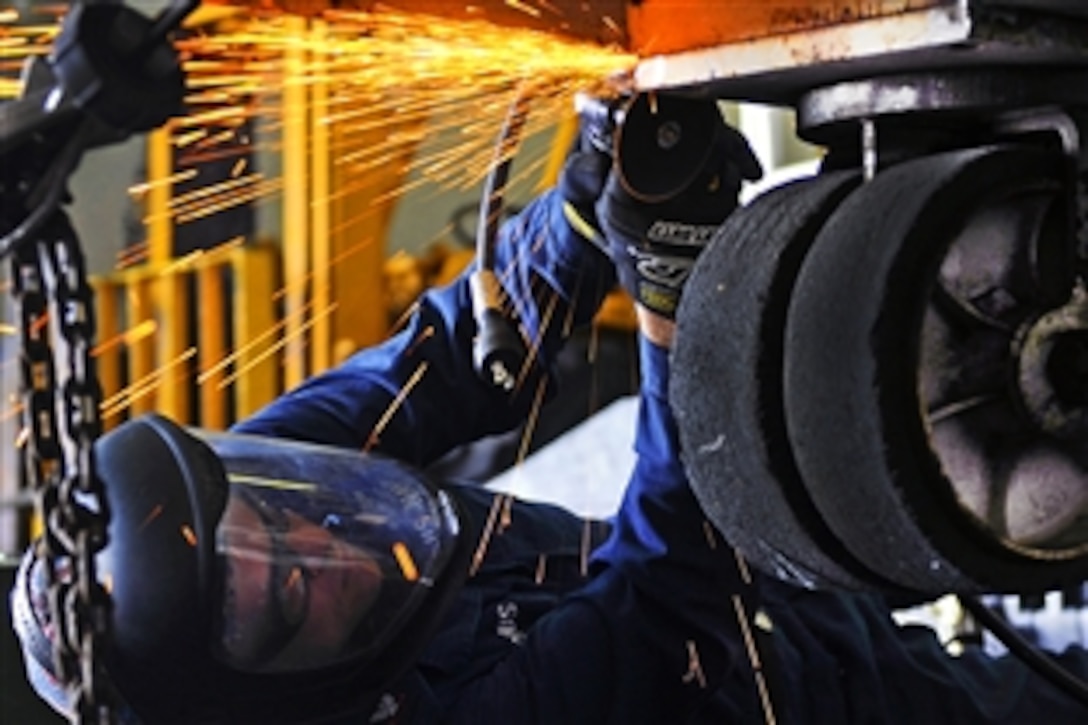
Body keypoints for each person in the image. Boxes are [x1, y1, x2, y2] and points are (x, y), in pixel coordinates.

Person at [10, 91, 1088, 725]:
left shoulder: (257, 491)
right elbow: (667, 574)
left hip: (811, 607)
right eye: (290, 593)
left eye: (269, 517)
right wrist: (671, 303)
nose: (318, 538)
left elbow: (449, 356)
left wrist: (580, 211)